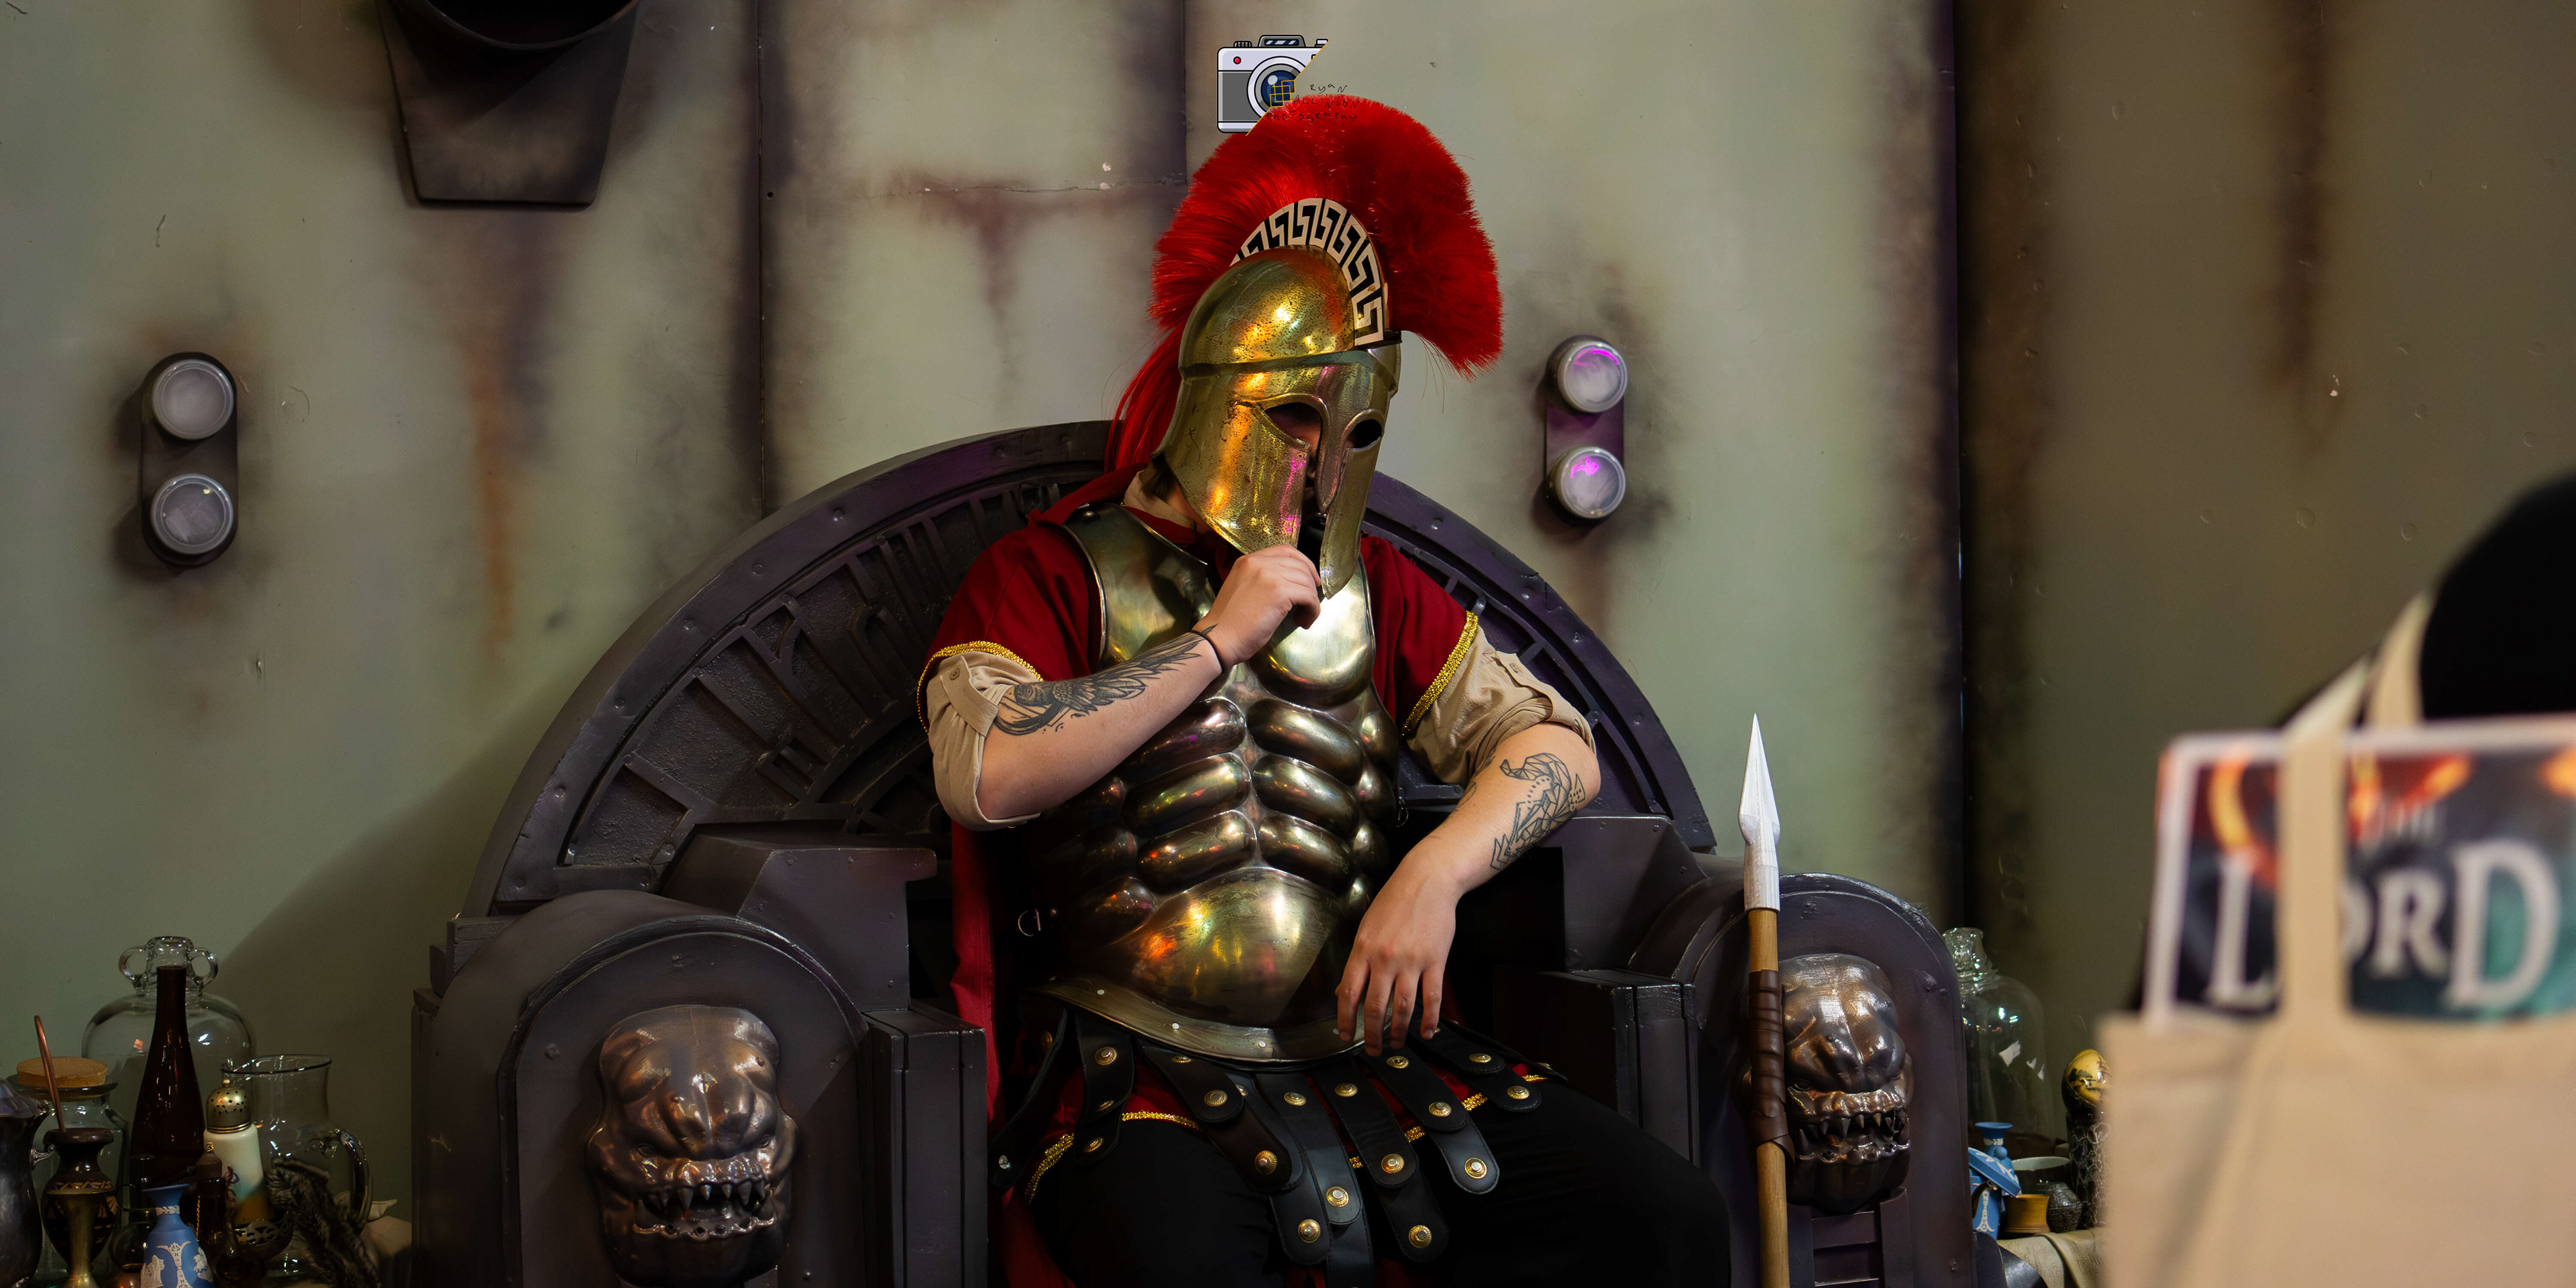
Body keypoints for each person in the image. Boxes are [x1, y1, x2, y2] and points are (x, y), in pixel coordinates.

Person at [919, 97, 1729, 1288]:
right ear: (1213, 393)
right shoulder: (1047, 571)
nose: (1315, 460)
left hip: (1360, 1049)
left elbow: (1556, 745)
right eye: (1293, 414)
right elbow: (986, 772)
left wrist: (1434, 877)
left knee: (1664, 1218)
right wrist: (1215, 642)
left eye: (1351, 431)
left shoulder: (1378, 589)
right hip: (1133, 1065)